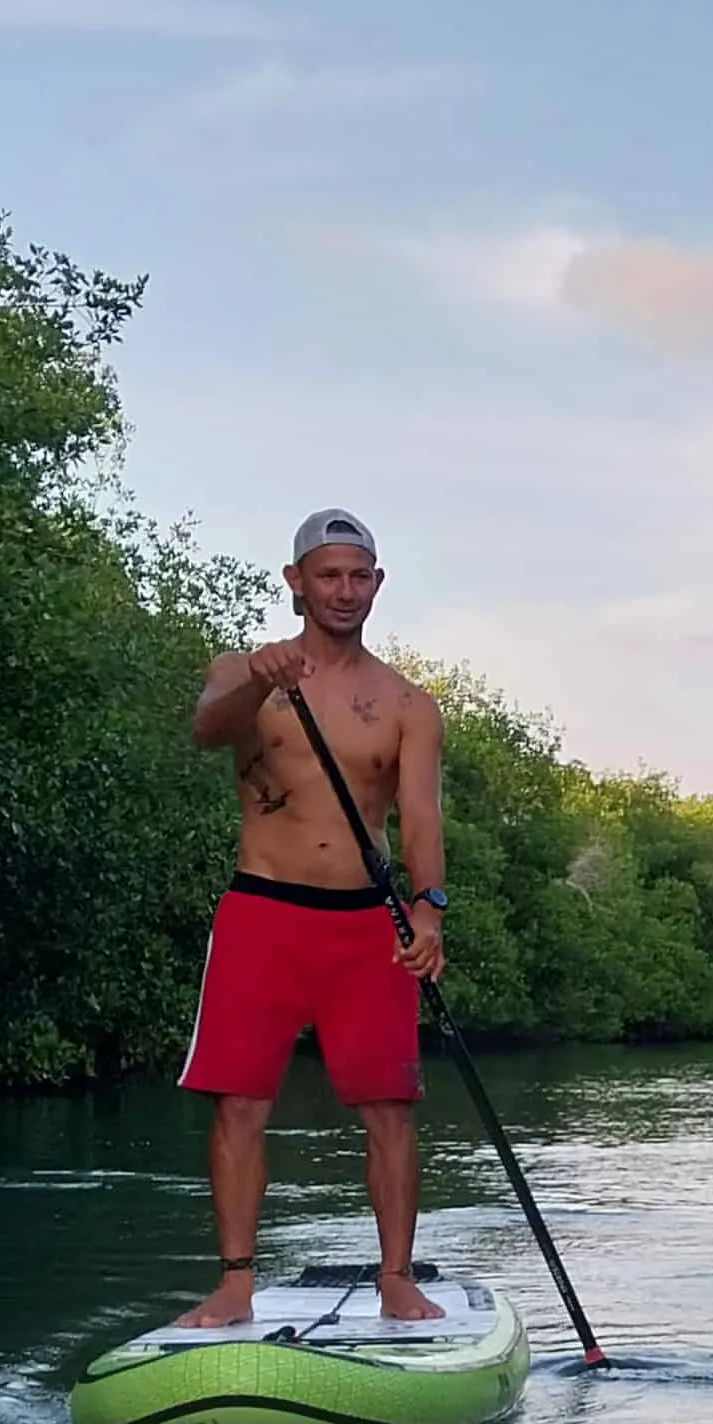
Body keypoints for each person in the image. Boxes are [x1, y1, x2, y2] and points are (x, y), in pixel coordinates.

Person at [173, 510, 450, 1328]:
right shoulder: (241, 670)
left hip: (369, 924)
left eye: (359, 576)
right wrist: (262, 678)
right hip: (263, 911)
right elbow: (205, 731)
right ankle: (234, 1283)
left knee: (389, 1105)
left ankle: (396, 1276)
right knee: (239, 1103)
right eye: (328, 575)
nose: (344, 591)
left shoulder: (408, 703)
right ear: (296, 581)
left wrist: (428, 909)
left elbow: (421, 819)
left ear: (378, 584)